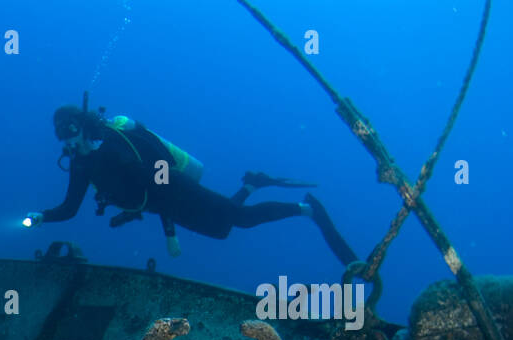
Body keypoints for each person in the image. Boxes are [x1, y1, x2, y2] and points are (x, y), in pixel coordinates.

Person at [25, 98, 357, 264]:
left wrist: (169, 230)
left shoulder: (114, 146)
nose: (66, 140)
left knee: (238, 219)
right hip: (161, 201)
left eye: (69, 130)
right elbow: (69, 208)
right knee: (223, 228)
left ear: (82, 125)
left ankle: (306, 209)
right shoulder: (82, 166)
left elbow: (159, 176)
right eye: (60, 135)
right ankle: (254, 183)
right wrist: (41, 216)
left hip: (174, 187)